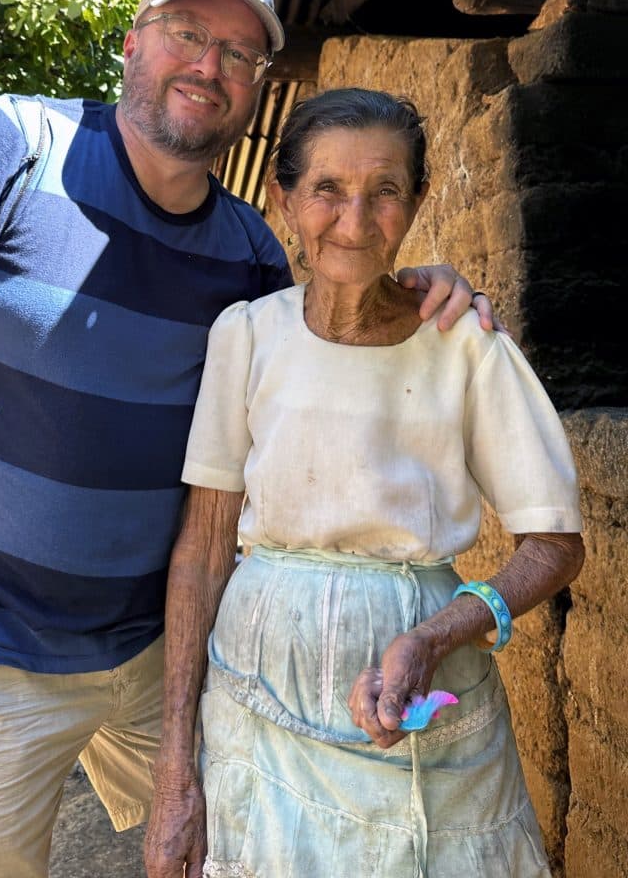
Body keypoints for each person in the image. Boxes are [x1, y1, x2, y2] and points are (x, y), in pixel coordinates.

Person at [0, 0, 490, 878]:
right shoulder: (7, 150)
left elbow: (327, 343)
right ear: (132, 42)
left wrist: (422, 294)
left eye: (242, 54)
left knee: (240, 851)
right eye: (188, 34)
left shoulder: (248, 252)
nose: (210, 66)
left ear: (258, 92)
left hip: (156, 654)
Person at [144, 88, 584, 878]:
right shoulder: (247, 336)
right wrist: (175, 772)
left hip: (422, 711)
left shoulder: (464, 344)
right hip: (256, 702)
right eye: (327, 190)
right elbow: (204, 551)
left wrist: (438, 633)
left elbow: (553, 543)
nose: (354, 220)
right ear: (284, 200)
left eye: (385, 190)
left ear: (418, 200)